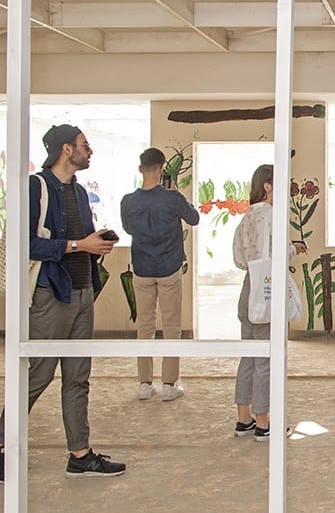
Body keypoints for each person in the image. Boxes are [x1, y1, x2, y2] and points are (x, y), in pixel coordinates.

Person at [0, 124, 125, 479]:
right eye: (85, 144)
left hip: (83, 292)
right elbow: (26, 244)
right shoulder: (35, 187)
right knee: (38, 374)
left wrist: (94, 243)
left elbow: (79, 239)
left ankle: (80, 454)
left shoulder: (80, 192)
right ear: (66, 149)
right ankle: (3, 444)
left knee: (78, 377)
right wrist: (79, 245)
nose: (90, 150)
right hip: (51, 294)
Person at [232, 164, 308, 441]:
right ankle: (264, 423)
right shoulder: (271, 215)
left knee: (249, 355)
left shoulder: (248, 215)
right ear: (268, 186)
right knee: (266, 358)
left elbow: (239, 256)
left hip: (249, 285)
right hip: (267, 288)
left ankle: (244, 419)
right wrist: (292, 249)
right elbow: (272, 255)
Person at [120, 147, 200, 402]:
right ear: (163, 168)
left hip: (142, 268)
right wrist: (176, 192)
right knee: (171, 326)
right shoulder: (172, 199)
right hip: (168, 268)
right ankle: (169, 384)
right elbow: (194, 218)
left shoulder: (128, 201)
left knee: (144, 325)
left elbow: (127, 228)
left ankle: (145, 383)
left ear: (140, 169)